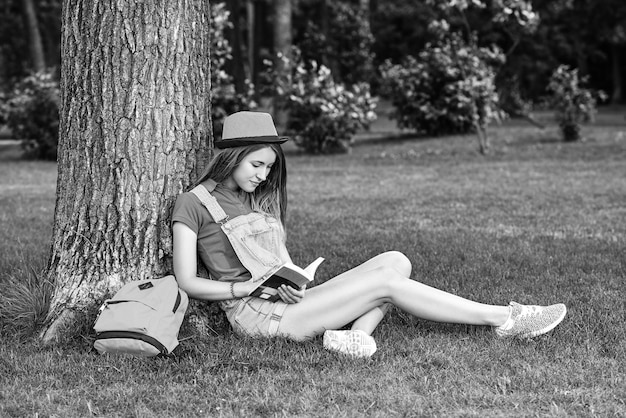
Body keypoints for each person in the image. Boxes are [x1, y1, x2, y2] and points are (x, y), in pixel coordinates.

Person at [172, 111, 567, 358]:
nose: (262, 177)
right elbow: (187, 281)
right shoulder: (192, 203)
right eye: (257, 165)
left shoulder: (256, 200)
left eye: (268, 169)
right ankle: (503, 319)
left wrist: (292, 281)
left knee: (396, 261)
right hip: (258, 317)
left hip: (287, 302)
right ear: (231, 157)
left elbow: (280, 261)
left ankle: (353, 338)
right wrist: (244, 290)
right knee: (386, 284)